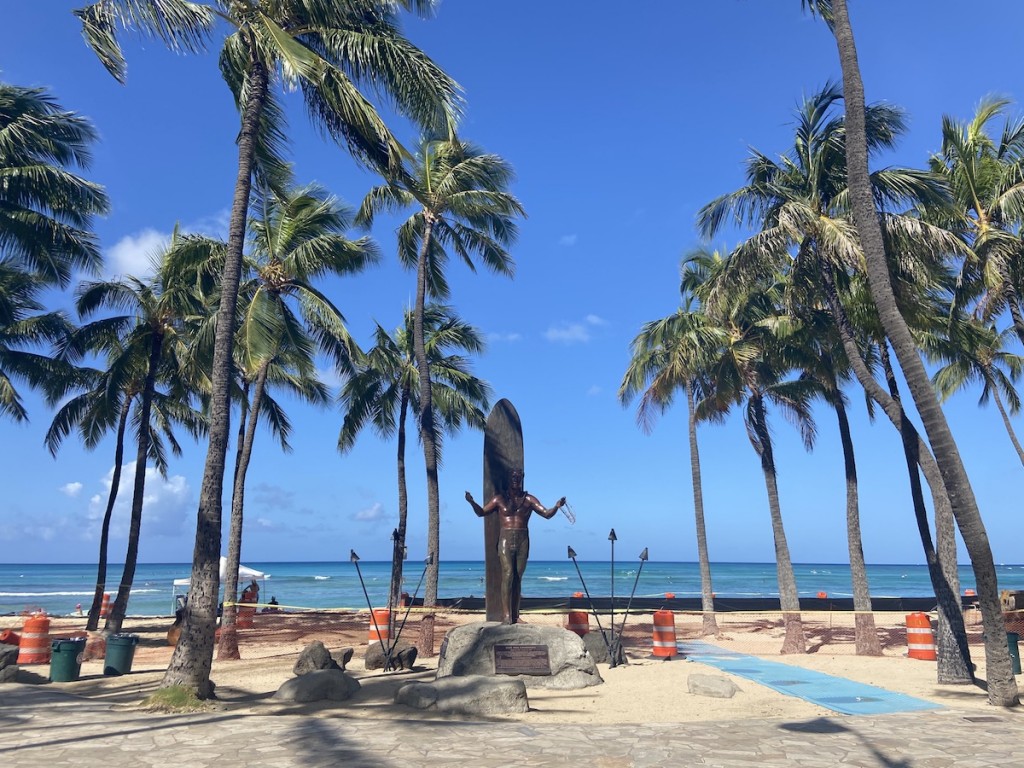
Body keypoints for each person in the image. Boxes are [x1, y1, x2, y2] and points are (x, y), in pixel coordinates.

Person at [465, 469, 566, 624]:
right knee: (508, 574)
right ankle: (506, 615)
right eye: (513, 477)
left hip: (522, 538)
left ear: (522, 479)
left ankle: (515, 615)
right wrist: (472, 502)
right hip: (505, 537)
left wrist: (557, 506)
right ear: (508, 478)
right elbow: (482, 512)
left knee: (518, 578)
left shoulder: (529, 499)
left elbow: (546, 513)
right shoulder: (499, 499)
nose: (515, 479)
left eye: (518, 477)